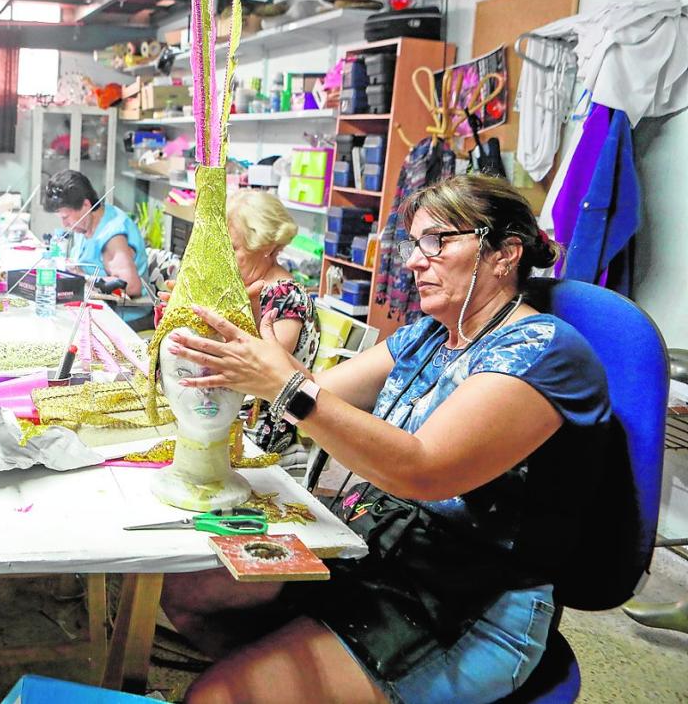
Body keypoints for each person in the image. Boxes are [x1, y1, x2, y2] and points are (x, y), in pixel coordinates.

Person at [160, 174, 616, 703]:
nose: (415, 261)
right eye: (414, 244)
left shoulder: (544, 352)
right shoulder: (428, 334)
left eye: (436, 241)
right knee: (188, 592)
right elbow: (317, 392)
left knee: (216, 698)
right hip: (379, 548)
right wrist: (235, 322)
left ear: (504, 253)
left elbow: (423, 470)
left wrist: (282, 384)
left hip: (468, 599)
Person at [226, 189, 320, 469]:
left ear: (265, 247)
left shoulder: (287, 299)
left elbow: (267, 367)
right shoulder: (244, 287)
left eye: (234, 249)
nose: (227, 258)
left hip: (260, 428)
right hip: (235, 410)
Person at [41, 169, 147, 297]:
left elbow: (131, 286)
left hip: (118, 313)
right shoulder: (86, 223)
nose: (64, 224)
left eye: (65, 217)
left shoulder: (112, 236)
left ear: (86, 205)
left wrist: (83, 279)